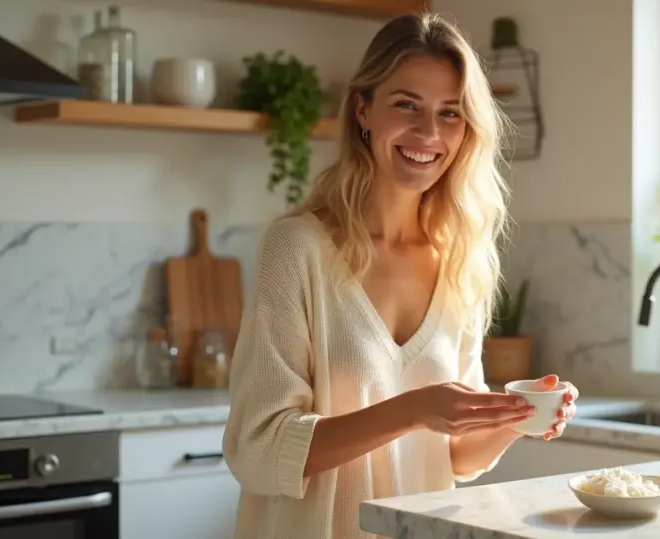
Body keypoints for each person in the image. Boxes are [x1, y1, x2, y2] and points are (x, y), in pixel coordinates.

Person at [222, 12, 578, 539]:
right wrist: (414, 410)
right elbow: (259, 448)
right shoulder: (298, 249)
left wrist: (515, 417)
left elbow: (455, 457)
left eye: (450, 113)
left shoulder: (461, 259)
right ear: (364, 109)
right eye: (406, 104)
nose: (428, 133)